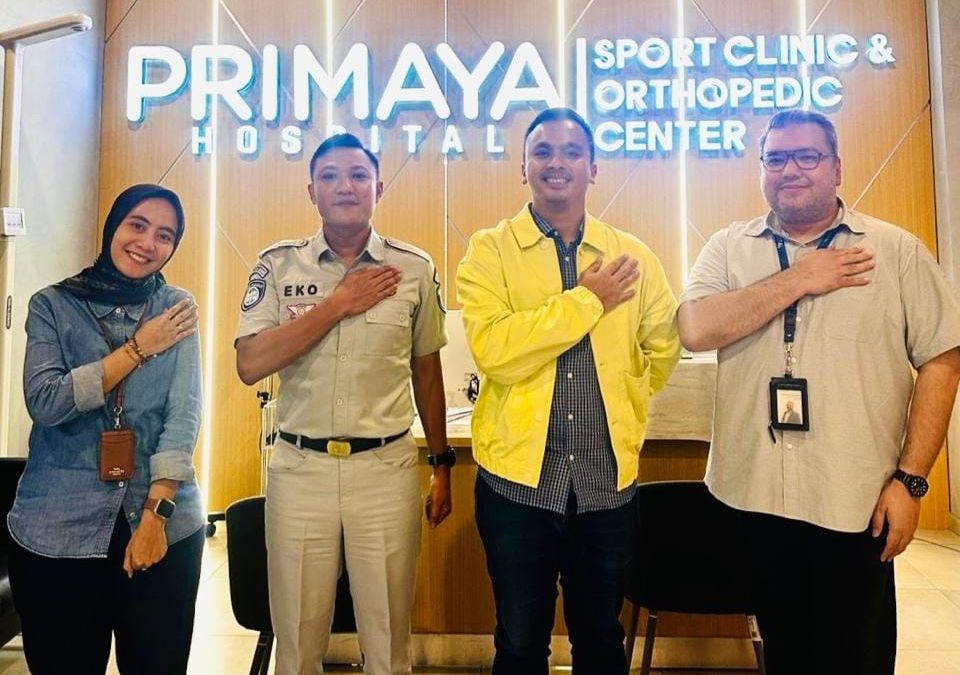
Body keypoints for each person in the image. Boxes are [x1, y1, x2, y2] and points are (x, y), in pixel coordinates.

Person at [678, 108, 960, 675]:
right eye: (776, 158)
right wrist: (802, 277)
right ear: (762, 169)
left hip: (856, 501)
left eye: (807, 156)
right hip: (755, 496)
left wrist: (911, 481)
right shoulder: (729, 247)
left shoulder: (894, 250)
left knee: (855, 655)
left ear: (837, 168)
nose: (791, 170)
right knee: (783, 653)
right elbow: (697, 328)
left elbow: (942, 360)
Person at [456, 107, 681, 675]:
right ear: (524, 167)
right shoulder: (489, 251)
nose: (557, 162)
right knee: (519, 644)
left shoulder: (630, 257)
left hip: (606, 485)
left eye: (572, 152)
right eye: (543, 151)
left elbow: (663, 346)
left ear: (593, 169)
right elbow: (495, 350)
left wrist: (628, 396)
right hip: (517, 487)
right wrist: (586, 301)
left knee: (601, 642)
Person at [234, 133, 452, 675]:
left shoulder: (413, 268)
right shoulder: (278, 266)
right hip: (300, 470)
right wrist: (336, 305)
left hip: (384, 469)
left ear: (379, 187)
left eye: (358, 175)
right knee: (297, 641)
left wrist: (441, 465)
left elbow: (427, 372)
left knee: (388, 638)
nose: (345, 186)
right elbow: (250, 363)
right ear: (312, 191)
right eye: (329, 176)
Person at [8, 184, 204, 674]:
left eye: (165, 235)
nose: (147, 243)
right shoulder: (52, 305)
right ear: (113, 226)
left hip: (161, 521)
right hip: (57, 526)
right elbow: (47, 402)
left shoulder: (176, 308)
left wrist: (156, 516)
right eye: (137, 225)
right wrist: (137, 348)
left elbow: (183, 416)